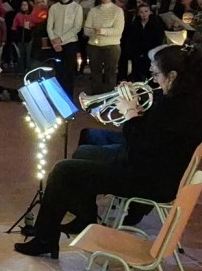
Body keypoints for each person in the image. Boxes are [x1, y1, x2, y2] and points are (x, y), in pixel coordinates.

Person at [14, 45, 202, 259]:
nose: (154, 79)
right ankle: (85, 216)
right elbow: (153, 136)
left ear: (173, 75)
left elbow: (141, 146)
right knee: (86, 144)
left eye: (156, 74)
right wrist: (137, 110)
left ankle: (45, 238)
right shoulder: (184, 99)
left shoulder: (178, 109)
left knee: (63, 170)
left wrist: (131, 113)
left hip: (148, 178)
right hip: (153, 167)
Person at [83, 0, 125, 95]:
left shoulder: (117, 11)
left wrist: (102, 31)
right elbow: (86, 29)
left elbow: (118, 30)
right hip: (94, 46)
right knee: (95, 74)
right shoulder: (94, 11)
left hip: (111, 46)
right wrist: (95, 32)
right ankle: (96, 97)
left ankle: (109, 97)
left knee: (110, 74)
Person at [47, 0, 83, 97]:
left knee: (69, 72)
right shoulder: (54, 7)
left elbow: (77, 27)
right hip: (55, 43)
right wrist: (54, 40)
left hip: (70, 42)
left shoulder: (77, 7)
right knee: (58, 72)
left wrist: (61, 39)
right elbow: (49, 26)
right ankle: (59, 97)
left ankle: (68, 96)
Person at [125, 5, 165, 81]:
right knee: (136, 74)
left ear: (150, 12)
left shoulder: (156, 24)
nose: (144, 14)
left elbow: (157, 40)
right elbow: (131, 39)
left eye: (146, 11)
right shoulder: (135, 24)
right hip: (137, 54)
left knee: (150, 74)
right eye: (141, 12)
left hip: (150, 54)